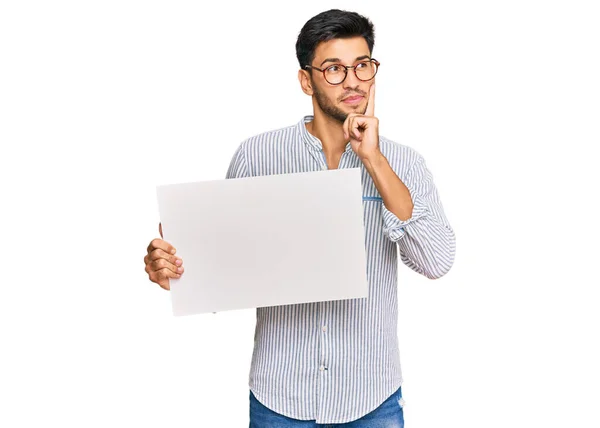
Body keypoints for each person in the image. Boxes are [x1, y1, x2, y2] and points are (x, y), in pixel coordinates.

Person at [144, 9, 455, 427]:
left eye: (362, 65)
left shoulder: (403, 163)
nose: (352, 81)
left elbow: (437, 261)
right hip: (280, 397)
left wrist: (374, 160)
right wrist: (174, 270)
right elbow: (222, 268)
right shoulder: (258, 156)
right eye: (334, 69)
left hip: (371, 399)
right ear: (306, 80)